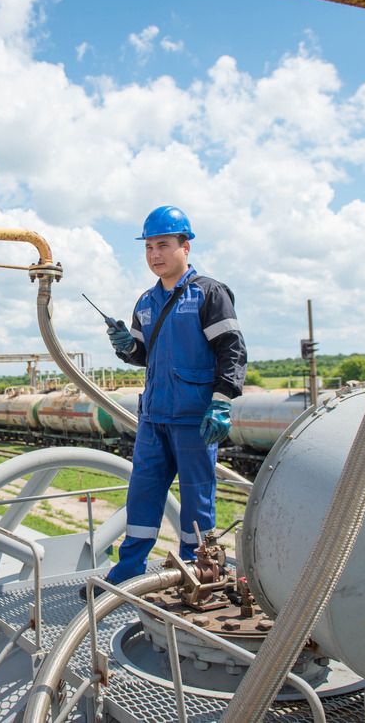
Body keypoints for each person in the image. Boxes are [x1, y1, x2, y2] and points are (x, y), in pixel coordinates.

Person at [102, 205, 247, 587]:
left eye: (163, 245)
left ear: (186, 246)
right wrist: (123, 346)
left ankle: (196, 570)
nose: (154, 255)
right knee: (142, 497)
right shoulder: (146, 303)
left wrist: (222, 400)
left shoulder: (208, 294)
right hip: (153, 419)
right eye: (149, 247)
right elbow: (142, 355)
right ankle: (129, 571)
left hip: (194, 419)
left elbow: (231, 349)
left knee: (197, 504)